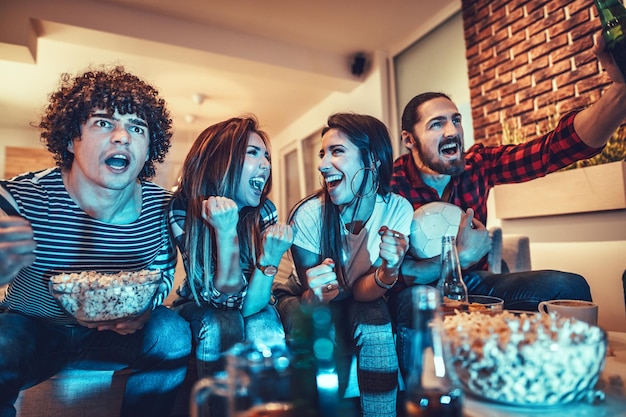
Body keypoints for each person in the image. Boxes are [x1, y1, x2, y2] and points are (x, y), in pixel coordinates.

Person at [389, 33, 626, 379]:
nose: (452, 131)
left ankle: (561, 382)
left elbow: (553, 150)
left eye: (455, 120)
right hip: (415, 293)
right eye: (436, 124)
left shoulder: (478, 164)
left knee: (568, 287)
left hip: (476, 283)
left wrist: (618, 96)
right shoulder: (391, 185)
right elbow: (395, 275)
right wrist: (461, 255)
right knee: (413, 306)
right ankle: (423, 397)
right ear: (409, 140)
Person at [0, 66, 192, 417]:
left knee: (172, 332)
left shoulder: (162, 207)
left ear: (149, 150)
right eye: (104, 123)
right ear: (72, 139)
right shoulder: (24, 196)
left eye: (137, 128)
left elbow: (163, 275)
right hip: (33, 329)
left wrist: (144, 311)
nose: (122, 137)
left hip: (116, 338)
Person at [274, 113, 413, 417]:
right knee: (313, 331)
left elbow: (363, 292)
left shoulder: (397, 209)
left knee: (376, 328)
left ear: (373, 159)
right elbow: (313, 300)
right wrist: (316, 294)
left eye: (337, 151)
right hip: (300, 296)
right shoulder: (308, 215)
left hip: (355, 293)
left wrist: (389, 269)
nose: (323, 164)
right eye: (322, 154)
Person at [168, 116, 293, 380]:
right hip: (196, 303)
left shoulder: (265, 211)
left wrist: (270, 257)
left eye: (267, 157)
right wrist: (225, 232)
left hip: (252, 302)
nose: (266, 164)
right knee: (221, 324)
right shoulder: (182, 209)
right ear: (220, 161)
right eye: (253, 153)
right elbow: (222, 302)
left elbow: (249, 307)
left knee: (266, 324)